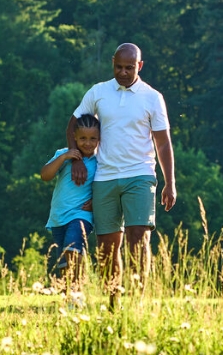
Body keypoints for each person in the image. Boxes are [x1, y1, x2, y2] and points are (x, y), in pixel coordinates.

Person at [67, 43, 176, 300]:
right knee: (106, 245)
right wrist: (76, 160)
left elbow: (162, 142)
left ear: (140, 66)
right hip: (105, 177)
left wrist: (170, 182)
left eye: (129, 67)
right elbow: (73, 125)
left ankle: (136, 302)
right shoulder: (98, 92)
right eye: (119, 67)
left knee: (138, 238)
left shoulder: (152, 97)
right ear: (112, 63)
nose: (123, 72)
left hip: (140, 175)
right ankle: (113, 302)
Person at [40, 114, 100, 283]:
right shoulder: (63, 155)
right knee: (63, 262)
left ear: (99, 139)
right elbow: (45, 175)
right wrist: (64, 158)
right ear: (74, 137)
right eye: (82, 138)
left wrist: (96, 203)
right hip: (58, 218)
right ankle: (68, 294)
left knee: (73, 249)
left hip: (81, 215)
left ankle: (77, 289)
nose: (87, 143)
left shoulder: (100, 161)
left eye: (92, 138)